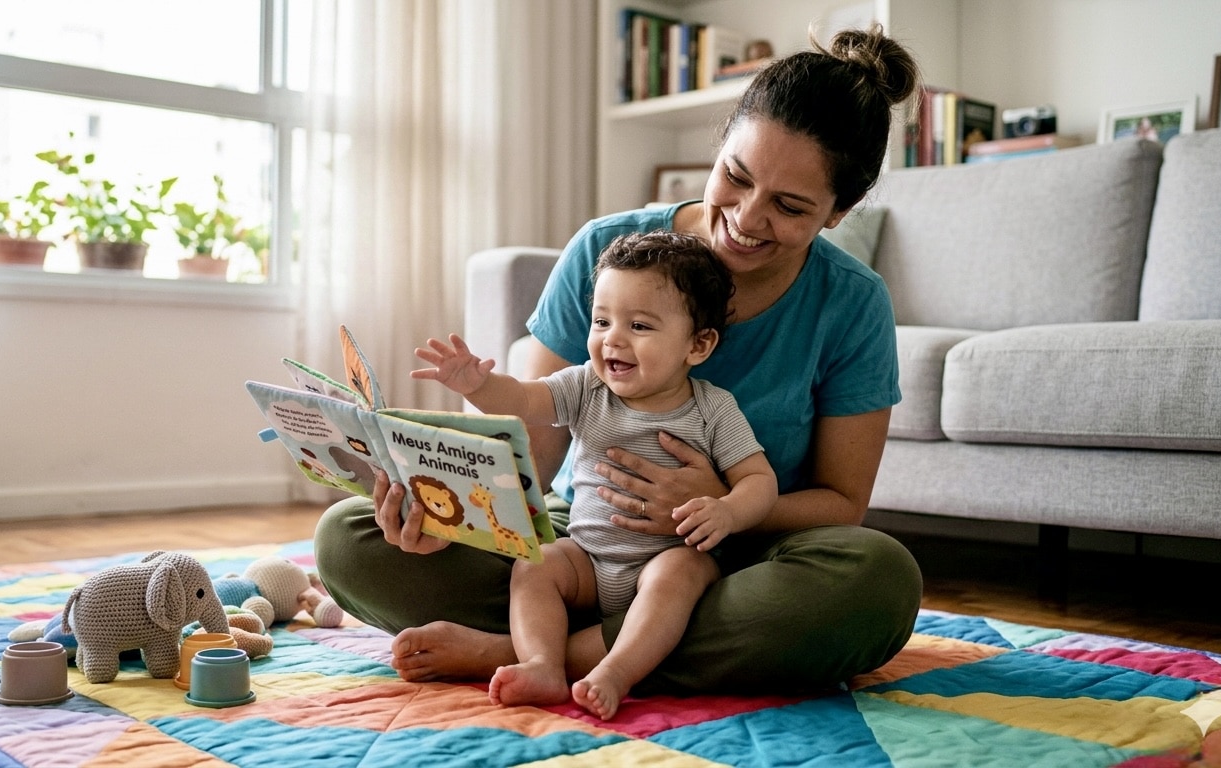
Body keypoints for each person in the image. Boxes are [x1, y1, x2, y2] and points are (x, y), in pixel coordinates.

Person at [315, 24, 924, 699]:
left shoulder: (851, 303)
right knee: (349, 538)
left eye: (789, 206)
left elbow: (841, 504)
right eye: (736, 177)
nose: (745, 219)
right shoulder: (608, 250)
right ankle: (601, 645)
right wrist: (449, 514)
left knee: (878, 579)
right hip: (584, 542)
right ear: (720, 145)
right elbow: (532, 454)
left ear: (841, 210)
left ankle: (528, 650)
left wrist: (719, 505)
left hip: (734, 563)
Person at [411, 231, 777, 719]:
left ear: (698, 344)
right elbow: (521, 400)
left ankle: (617, 671)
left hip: (665, 559)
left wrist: (727, 511)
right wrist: (477, 385)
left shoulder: (712, 408)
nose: (612, 339)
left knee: (681, 574)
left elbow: (759, 480)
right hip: (587, 558)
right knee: (536, 563)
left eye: (640, 326)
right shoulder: (586, 385)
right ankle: (542, 664)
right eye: (602, 321)